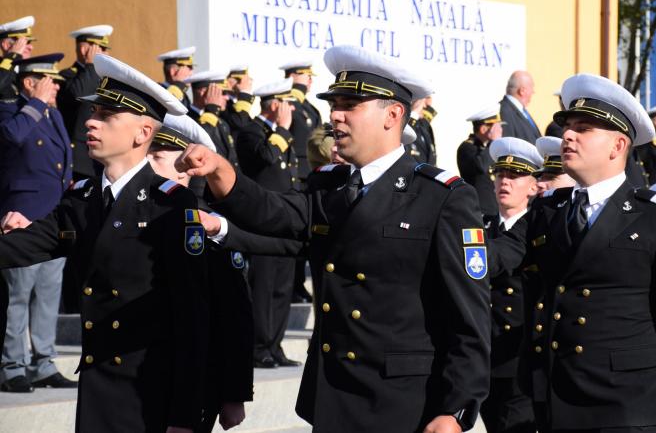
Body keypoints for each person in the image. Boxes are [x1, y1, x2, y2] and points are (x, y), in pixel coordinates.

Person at [177, 44, 490, 433]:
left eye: (350, 105)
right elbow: (275, 214)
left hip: (403, 403)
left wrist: (456, 409)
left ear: (393, 114)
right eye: (334, 104)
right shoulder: (329, 186)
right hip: (333, 395)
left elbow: (469, 317)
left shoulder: (443, 195)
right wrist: (222, 173)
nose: (335, 116)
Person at [0, 54, 209, 432]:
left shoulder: (170, 205)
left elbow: (191, 317)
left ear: (142, 133)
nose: (91, 121)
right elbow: (25, 244)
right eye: (93, 111)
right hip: (98, 391)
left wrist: (185, 415)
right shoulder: (82, 198)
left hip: (148, 392)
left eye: (107, 116)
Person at [504, 73, 656, 433]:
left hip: (626, 406)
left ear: (617, 146)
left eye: (583, 129)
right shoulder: (548, 211)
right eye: (568, 126)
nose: (567, 135)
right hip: (555, 399)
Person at [147, 114, 252, 433]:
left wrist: (234, 394)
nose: (148, 165)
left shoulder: (206, 228)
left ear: (186, 168)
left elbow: (235, 316)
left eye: (157, 158)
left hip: (194, 381)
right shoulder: (135, 215)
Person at [0, 54, 75, 393]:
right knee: (18, 295)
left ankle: (43, 362)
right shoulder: (13, 111)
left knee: (47, 294)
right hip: (22, 215)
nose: (56, 86)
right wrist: (33, 104)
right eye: (50, 81)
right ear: (30, 82)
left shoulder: (54, 114)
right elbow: (11, 138)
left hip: (53, 216)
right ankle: (11, 365)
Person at [235, 78, 302, 368]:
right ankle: (259, 346)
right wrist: (283, 130)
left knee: (282, 288)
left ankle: (275, 345)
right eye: (285, 102)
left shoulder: (280, 134)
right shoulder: (251, 132)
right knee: (262, 286)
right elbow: (264, 158)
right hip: (261, 221)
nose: (289, 109)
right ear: (274, 104)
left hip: (285, 220)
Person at [480, 137, 540, 433]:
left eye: (515, 176)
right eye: (501, 174)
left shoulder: (538, 228)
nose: (505, 181)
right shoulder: (481, 226)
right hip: (484, 355)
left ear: (534, 186)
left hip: (519, 356)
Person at [281, 61, 322, 303]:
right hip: (297, 175)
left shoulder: (309, 107)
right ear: (293, 76)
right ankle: (295, 284)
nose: (310, 80)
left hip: (311, 174)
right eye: (306, 75)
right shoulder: (290, 103)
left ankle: (298, 283)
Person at [57, 25, 113, 180]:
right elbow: (80, 93)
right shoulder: (67, 76)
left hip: (104, 155)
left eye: (106, 48)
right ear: (84, 49)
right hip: (81, 160)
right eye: (101, 48)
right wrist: (90, 65)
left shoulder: (104, 77)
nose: (106, 52)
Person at [456, 105, 503, 217]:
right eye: (496, 127)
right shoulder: (467, 148)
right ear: (483, 129)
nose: (500, 130)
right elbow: (481, 166)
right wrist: (495, 141)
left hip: (495, 208)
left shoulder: (487, 147)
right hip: (479, 209)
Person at [0, 16, 35, 99]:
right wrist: (13, 56)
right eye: (24, 42)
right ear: (6, 45)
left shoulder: (28, 70)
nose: (31, 47)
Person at [499, 71, 539, 143]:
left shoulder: (520, 110)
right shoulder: (504, 111)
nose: (533, 92)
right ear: (522, 91)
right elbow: (507, 145)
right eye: (531, 87)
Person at [221, 64, 255, 139]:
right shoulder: (222, 102)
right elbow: (239, 122)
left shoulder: (237, 101)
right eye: (238, 80)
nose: (244, 84)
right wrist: (244, 93)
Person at [407, 97, 437, 165]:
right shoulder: (405, 127)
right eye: (426, 97)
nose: (426, 105)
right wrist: (414, 112)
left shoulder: (423, 128)